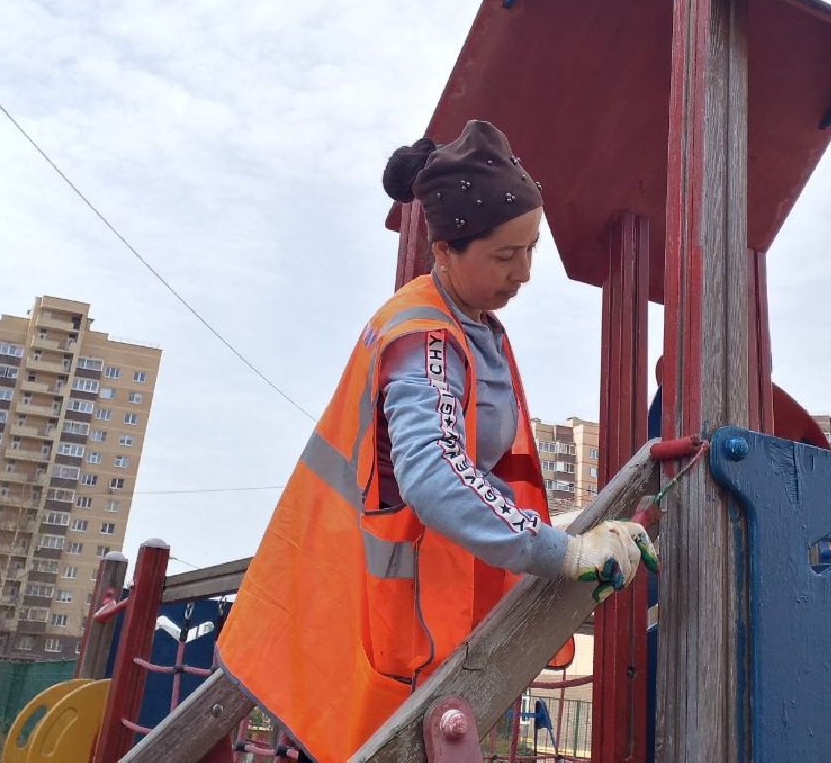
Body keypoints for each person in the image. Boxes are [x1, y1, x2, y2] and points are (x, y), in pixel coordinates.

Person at [218, 120, 656, 763]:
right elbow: (438, 474)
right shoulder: (425, 336)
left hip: (399, 596)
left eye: (531, 248)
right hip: (369, 603)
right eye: (505, 256)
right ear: (446, 249)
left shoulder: (470, 322)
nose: (525, 272)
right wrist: (565, 551)